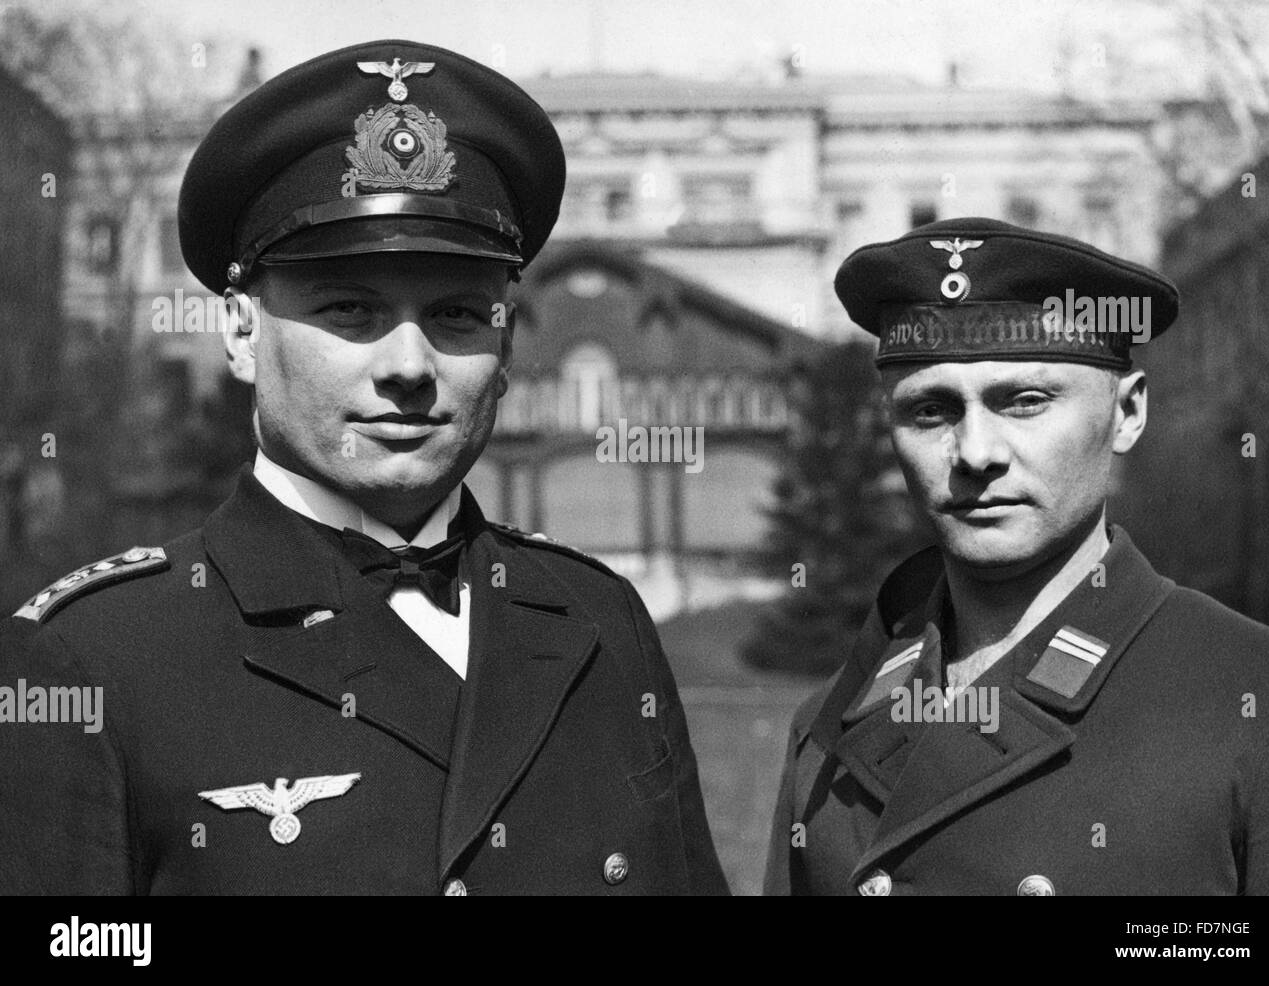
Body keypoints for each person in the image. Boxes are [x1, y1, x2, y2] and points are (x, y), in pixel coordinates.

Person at [0, 40, 727, 896]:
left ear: (507, 341)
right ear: (241, 331)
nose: (409, 365)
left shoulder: (599, 619)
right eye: (351, 309)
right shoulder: (93, 658)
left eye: (457, 313)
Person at [764, 217, 1269, 896]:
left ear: (1128, 413)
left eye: (1025, 401)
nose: (977, 453)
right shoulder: (827, 725)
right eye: (930, 411)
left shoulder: (1268, 699)